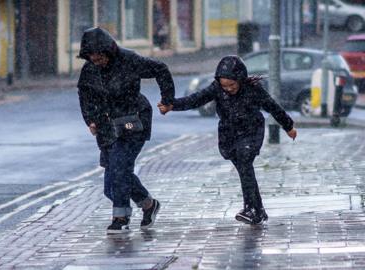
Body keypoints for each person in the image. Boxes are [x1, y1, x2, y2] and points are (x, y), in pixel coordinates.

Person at [158, 55, 297, 225]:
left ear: (240, 79)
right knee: (244, 170)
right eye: (225, 86)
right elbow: (196, 99)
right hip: (229, 133)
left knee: (245, 163)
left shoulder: (254, 89)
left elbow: (273, 107)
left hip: (251, 130)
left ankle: (250, 209)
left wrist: (288, 126)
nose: (228, 89)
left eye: (232, 85)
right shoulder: (217, 88)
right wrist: (172, 105)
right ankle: (259, 210)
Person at [77, 27, 175, 233]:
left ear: (108, 51)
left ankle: (121, 218)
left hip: (133, 120)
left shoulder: (129, 60)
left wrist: (167, 100)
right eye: (92, 58)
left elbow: (161, 69)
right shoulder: (89, 70)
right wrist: (90, 120)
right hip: (106, 125)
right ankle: (149, 204)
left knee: (120, 168)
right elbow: (85, 95)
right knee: (110, 184)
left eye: (99, 57)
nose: (97, 62)